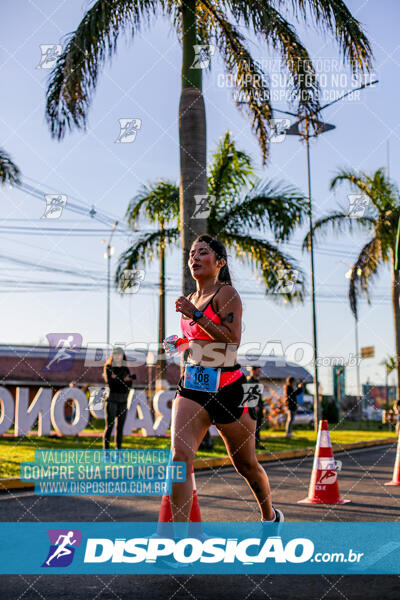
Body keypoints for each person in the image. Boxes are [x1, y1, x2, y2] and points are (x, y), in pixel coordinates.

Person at [164, 234, 283, 523]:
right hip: (192, 386)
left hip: (230, 388)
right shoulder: (190, 299)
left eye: (203, 252)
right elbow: (199, 341)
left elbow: (232, 341)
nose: (194, 257)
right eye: (192, 253)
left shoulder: (226, 294)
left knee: (246, 464)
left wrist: (196, 316)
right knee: (179, 458)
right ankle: (175, 540)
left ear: (219, 263)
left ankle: (270, 517)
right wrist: (180, 344)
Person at [102, 347, 134, 450]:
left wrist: (118, 380)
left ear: (122, 356)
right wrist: (123, 381)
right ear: (112, 356)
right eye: (115, 354)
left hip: (123, 401)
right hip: (111, 400)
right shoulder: (108, 368)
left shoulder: (125, 369)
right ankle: (106, 453)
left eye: (119, 354)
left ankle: (118, 453)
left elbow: (128, 386)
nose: (117, 356)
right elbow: (111, 385)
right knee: (109, 427)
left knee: (120, 429)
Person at [247, 365, 265, 450]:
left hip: (259, 407)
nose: (260, 372)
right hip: (254, 408)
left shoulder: (256, 381)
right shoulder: (250, 381)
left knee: (258, 427)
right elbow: (249, 395)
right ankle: (253, 445)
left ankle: (257, 444)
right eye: (258, 370)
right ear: (253, 371)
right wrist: (254, 406)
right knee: (254, 427)